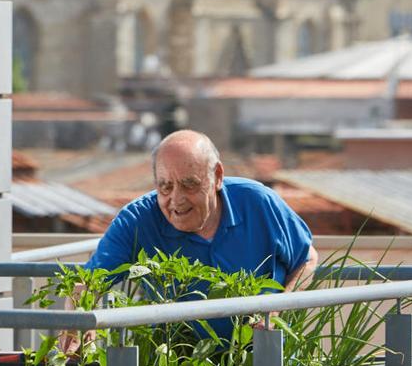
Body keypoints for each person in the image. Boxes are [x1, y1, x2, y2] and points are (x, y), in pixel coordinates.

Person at [61, 130, 317, 351]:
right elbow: (89, 281)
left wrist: (277, 308)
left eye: (189, 184)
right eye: (165, 186)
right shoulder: (137, 219)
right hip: (177, 364)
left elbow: (306, 258)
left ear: (217, 176)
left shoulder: (258, 202)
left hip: (264, 357)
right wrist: (77, 323)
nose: (176, 199)